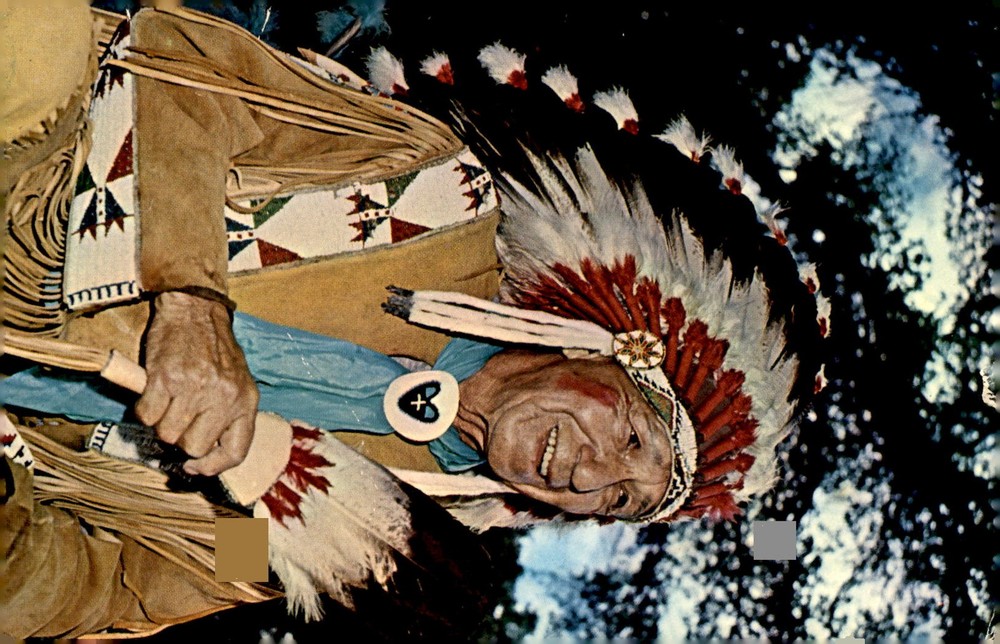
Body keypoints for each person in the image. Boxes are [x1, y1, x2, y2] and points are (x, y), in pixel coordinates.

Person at [1, 3, 822, 638]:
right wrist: (189, 298)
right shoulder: (433, 198)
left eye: (615, 500)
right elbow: (178, 62)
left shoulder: (321, 536)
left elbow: (119, 576)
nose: (588, 478)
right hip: (27, 170)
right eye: (634, 442)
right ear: (607, 350)